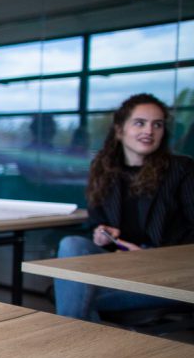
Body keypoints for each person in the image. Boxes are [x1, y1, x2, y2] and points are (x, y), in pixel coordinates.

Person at [55, 93, 194, 321]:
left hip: (165, 276)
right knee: (71, 245)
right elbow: (96, 221)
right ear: (120, 130)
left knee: (73, 293)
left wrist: (152, 257)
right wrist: (101, 234)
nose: (149, 131)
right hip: (119, 269)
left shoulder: (181, 169)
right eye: (140, 123)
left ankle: (72, 339)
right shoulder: (103, 170)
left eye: (157, 125)